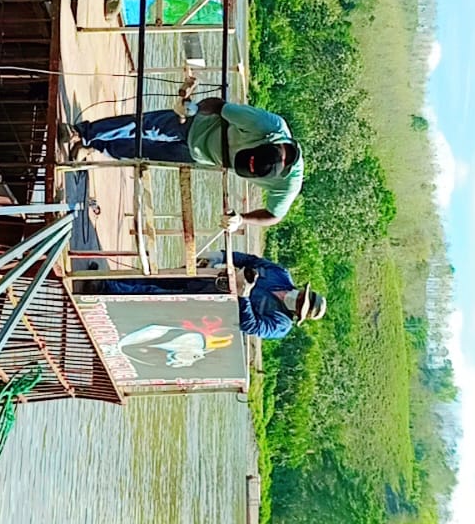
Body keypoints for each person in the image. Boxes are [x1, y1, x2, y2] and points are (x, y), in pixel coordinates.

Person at [62, 98, 304, 226]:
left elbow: (274, 216)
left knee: (141, 153)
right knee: (142, 125)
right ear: (264, 145)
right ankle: (81, 132)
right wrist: (193, 108)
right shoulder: (266, 125)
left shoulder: (289, 185)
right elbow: (219, 106)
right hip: (198, 124)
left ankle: (93, 145)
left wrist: (242, 219)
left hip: (200, 157)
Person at [76, 251, 326, 342]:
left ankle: (103, 288)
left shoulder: (281, 325)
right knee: (157, 278)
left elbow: (251, 326)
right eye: (302, 297)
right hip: (211, 278)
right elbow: (250, 260)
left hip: (212, 308)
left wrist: (244, 296)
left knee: (157, 295)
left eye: (300, 305)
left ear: (298, 314)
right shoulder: (280, 275)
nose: (297, 299)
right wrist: (221, 256)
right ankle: (108, 280)